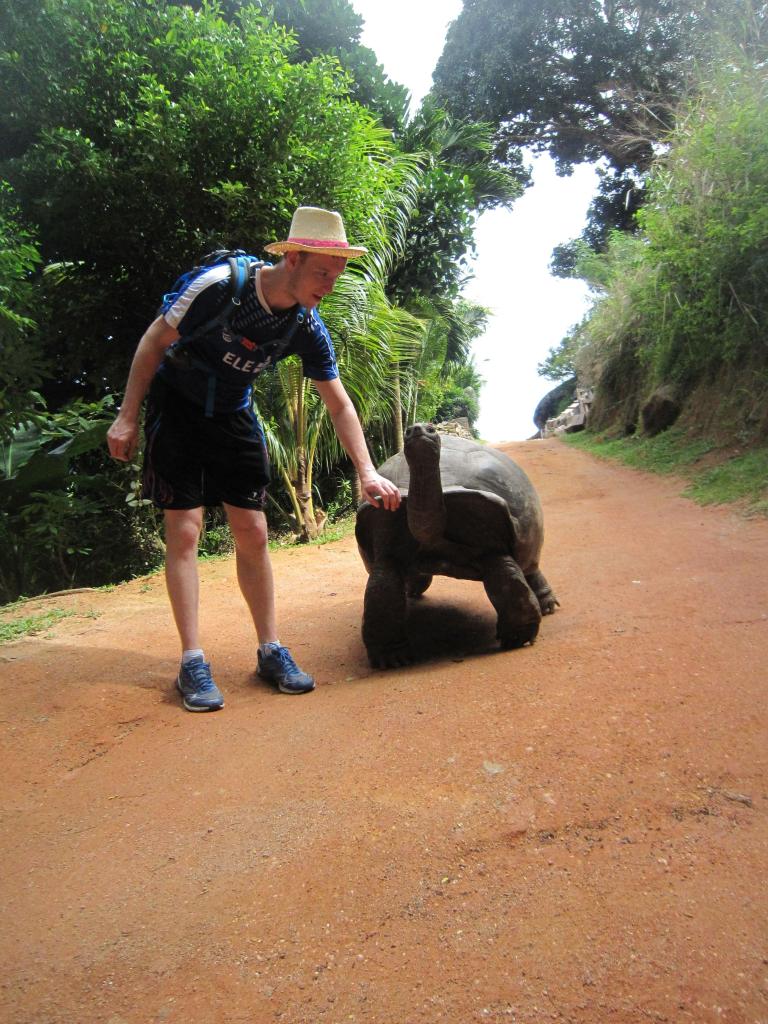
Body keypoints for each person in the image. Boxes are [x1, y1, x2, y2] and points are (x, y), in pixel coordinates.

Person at [107, 207, 400, 711]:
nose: (328, 285)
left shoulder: (307, 326)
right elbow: (154, 340)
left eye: (337, 275)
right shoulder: (221, 286)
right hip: (177, 411)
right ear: (293, 258)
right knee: (184, 531)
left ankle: (270, 649)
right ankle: (192, 660)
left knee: (255, 531)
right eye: (321, 272)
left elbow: (338, 401)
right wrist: (127, 416)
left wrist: (367, 470)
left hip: (234, 415)